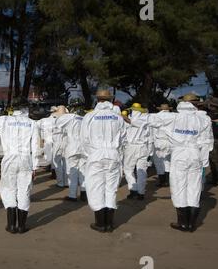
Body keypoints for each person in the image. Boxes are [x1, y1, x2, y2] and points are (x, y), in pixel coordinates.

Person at [130, 93, 212, 232]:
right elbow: (207, 143)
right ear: (196, 104)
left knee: (179, 187)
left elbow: (142, 120)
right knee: (194, 188)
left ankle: (182, 223)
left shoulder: (172, 117)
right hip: (195, 154)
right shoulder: (204, 120)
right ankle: (191, 224)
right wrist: (203, 163)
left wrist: (130, 117)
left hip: (179, 154)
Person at [0, 102, 40, 234]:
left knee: (8, 188)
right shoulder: (32, 123)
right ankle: (22, 226)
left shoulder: (3, 120)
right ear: (25, 108)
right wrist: (35, 166)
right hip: (26, 159)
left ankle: (11, 225)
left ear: (12, 108)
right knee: (24, 190)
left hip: (9, 159)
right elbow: (36, 147)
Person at [80, 89, 127, 232]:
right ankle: (109, 223)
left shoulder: (90, 116)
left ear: (97, 100)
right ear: (110, 100)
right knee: (111, 189)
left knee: (96, 188)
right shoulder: (117, 117)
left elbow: (84, 139)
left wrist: (93, 154)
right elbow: (124, 139)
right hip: (114, 155)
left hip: (96, 154)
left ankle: (101, 223)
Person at [123, 103, 153, 200]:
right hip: (143, 147)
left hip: (131, 147)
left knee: (128, 169)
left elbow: (127, 126)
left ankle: (133, 190)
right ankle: (141, 193)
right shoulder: (146, 121)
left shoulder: (131, 120)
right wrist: (150, 152)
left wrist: (122, 115)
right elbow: (150, 137)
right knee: (141, 171)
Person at [55, 108, 87, 201]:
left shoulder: (69, 117)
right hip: (84, 147)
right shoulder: (86, 118)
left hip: (73, 147)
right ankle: (84, 192)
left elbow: (58, 123)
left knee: (72, 171)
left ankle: (72, 195)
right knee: (83, 171)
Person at [152, 104, 173, 187]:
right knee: (168, 161)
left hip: (159, 141)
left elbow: (152, 129)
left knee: (159, 161)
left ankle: (162, 181)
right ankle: (168, 181)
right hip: (170, 141)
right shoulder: (174, 116)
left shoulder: (156, 116)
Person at [51, 106, 69, 187]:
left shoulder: (55, 121)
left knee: (57, 163)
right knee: (66, 163)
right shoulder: (69, 121)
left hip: (57, 143)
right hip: (66, 142)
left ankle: (60, 182)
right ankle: (66, 182)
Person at [37, 107, 57, 178]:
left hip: (47, 140)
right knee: (54, 156)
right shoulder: (58, 120)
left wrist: (41, 138)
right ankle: (52, 170)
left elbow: (37, 129)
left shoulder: (42, 121)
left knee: (49, 156)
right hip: (56, 141)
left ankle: (52, 171)